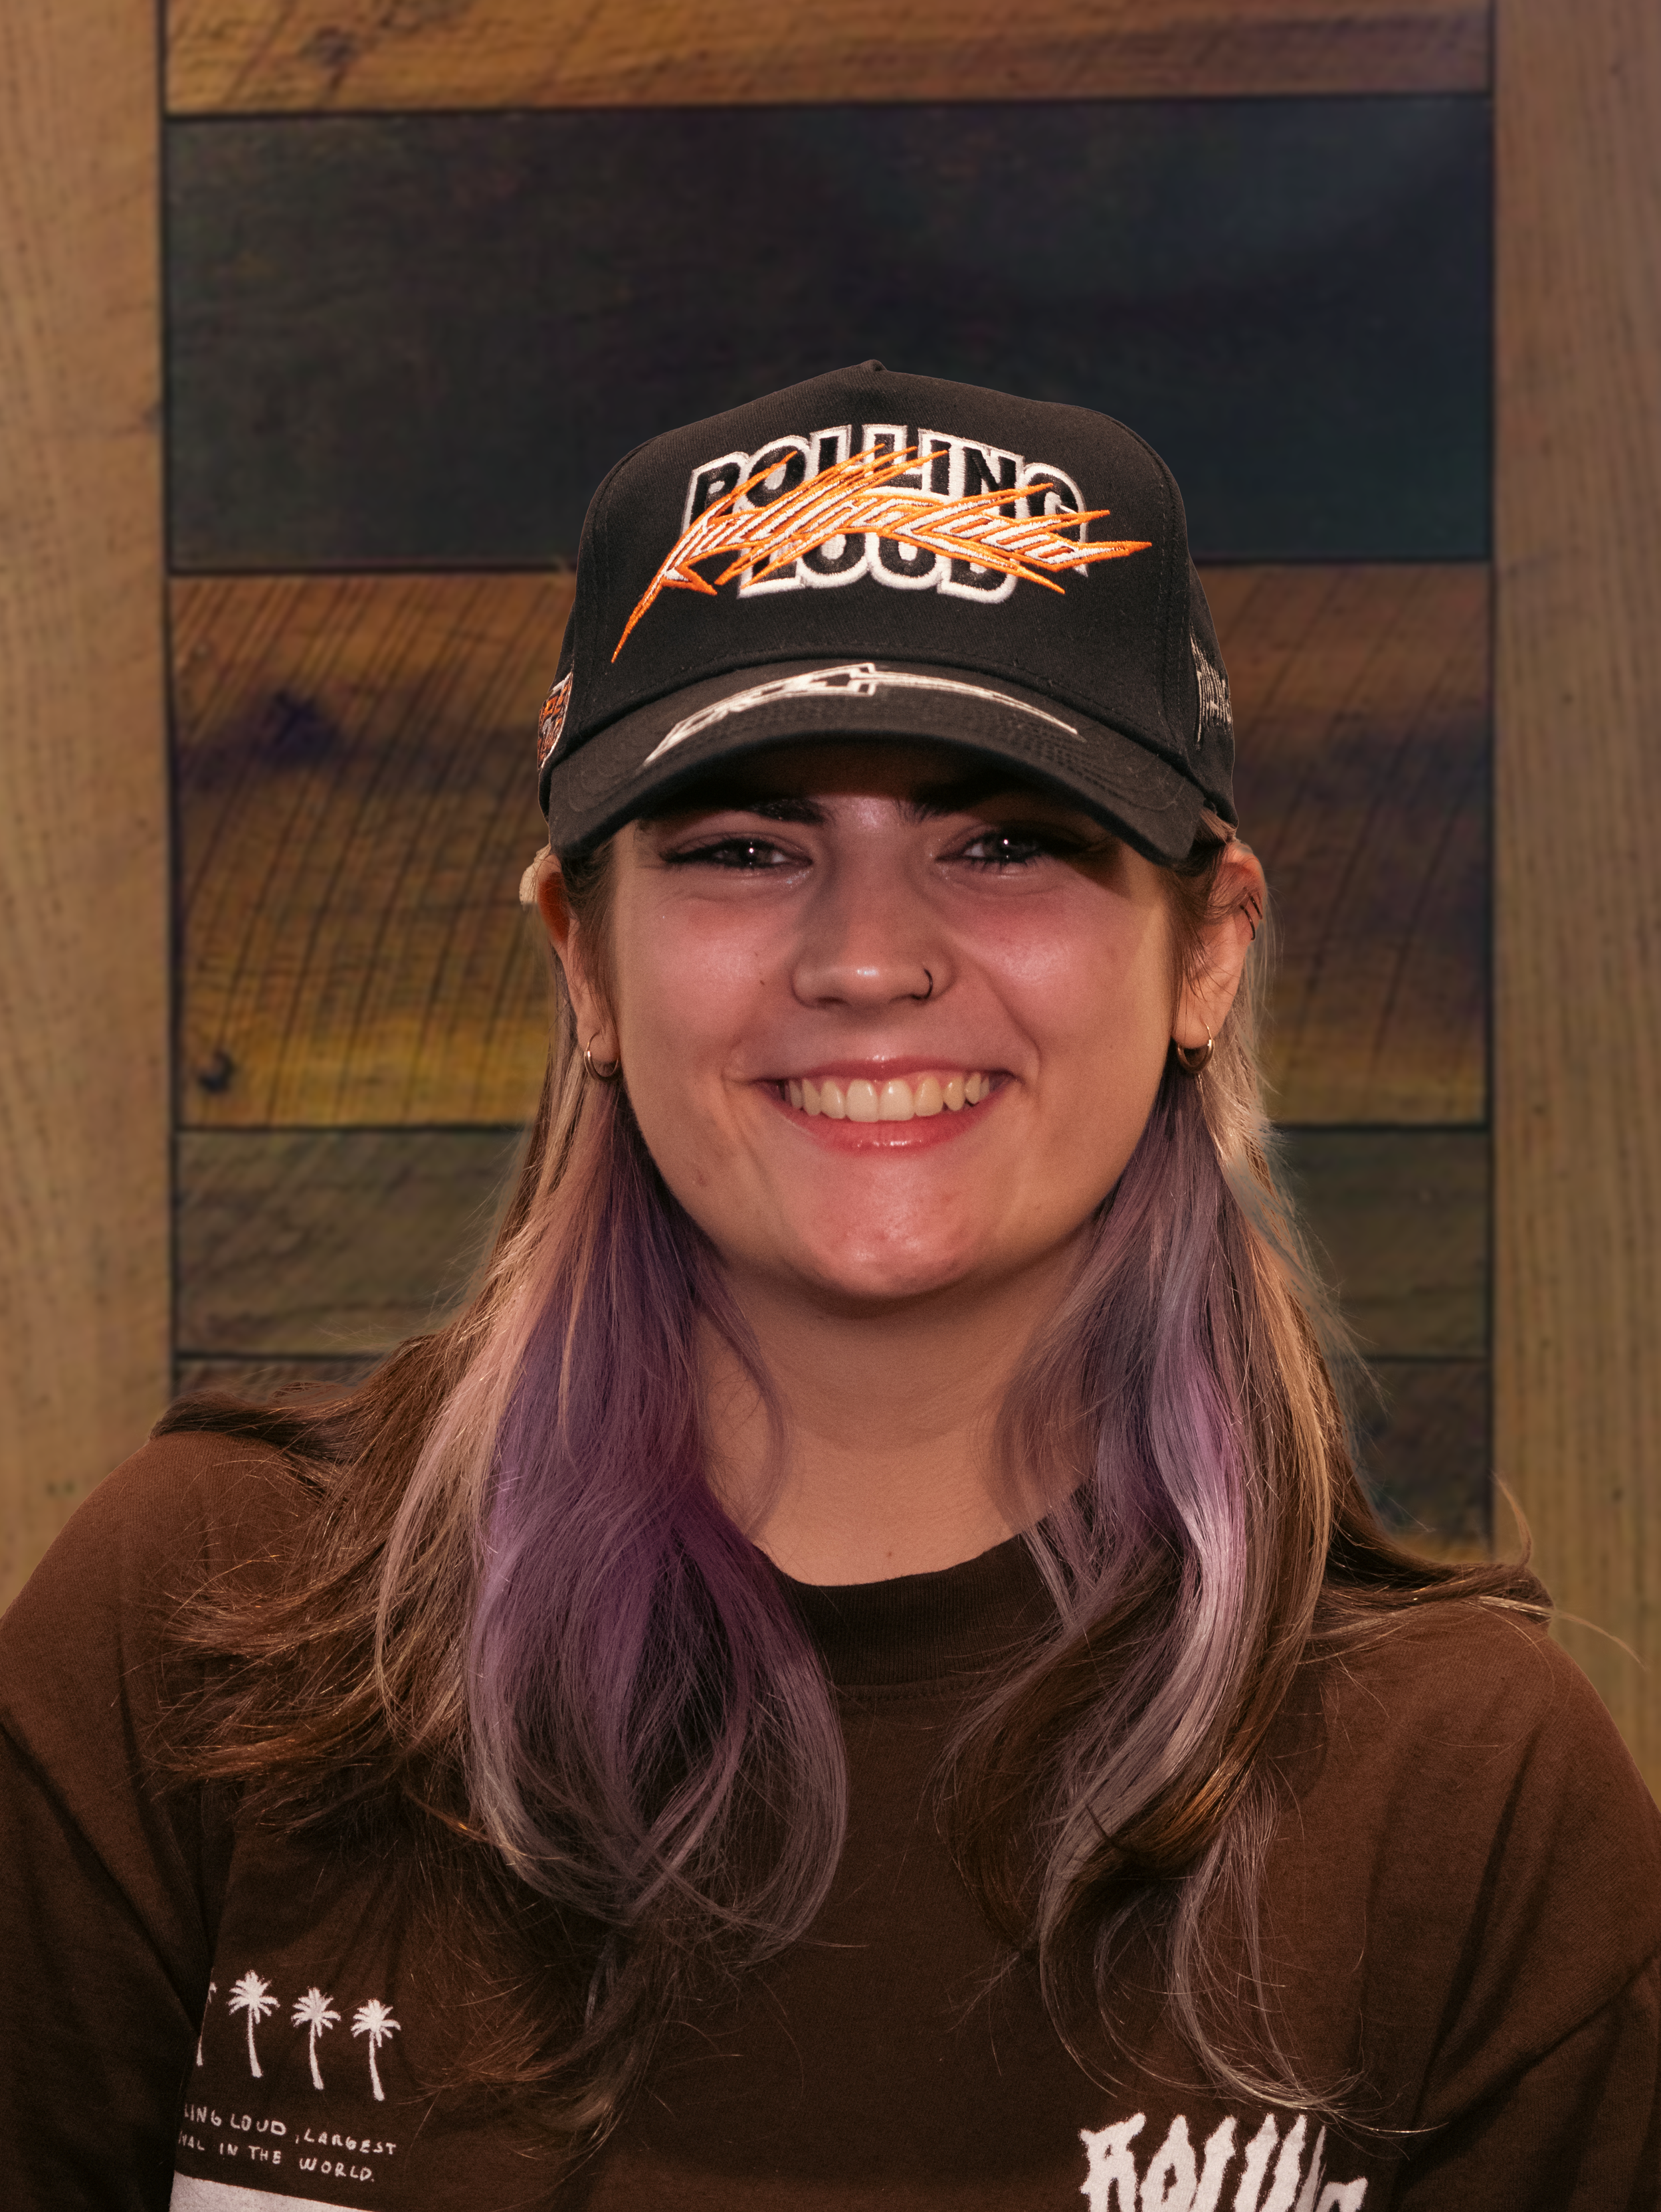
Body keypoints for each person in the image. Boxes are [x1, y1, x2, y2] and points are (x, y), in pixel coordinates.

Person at [2, 361, 1658, 2211]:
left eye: (1004, 841)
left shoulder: (1464, 1798)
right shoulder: (204, 1633)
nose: (868, 958)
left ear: (1205, 950)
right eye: (739, 847)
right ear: (586, 959)